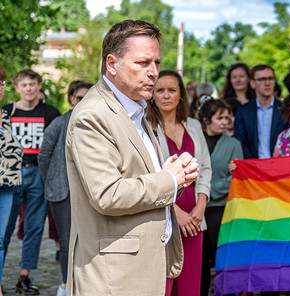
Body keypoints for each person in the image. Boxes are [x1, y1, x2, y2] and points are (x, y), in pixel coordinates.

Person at [65, 19, 199, 295]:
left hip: (140, 267)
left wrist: (173, 173)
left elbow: (134, 175)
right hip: (114, 275)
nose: (154, 73)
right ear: (112, 64)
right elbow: (108, 194)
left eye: (157, 63)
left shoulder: (135, 108)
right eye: (142, 63)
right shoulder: (93, 114)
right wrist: (169, 181)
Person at [147, 70, 212, 296]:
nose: (166, 95)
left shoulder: (193, 126)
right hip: (162, 218)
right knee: (163, 287)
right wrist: (176, 212)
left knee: (190, 288)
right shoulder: (145, 127)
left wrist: (201, 206)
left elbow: (205, 168)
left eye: (171, 90)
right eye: (160, 90)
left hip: (194, 219)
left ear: (181, 95)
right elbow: (148, 175)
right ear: (152, 95)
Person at [1, 68, 61, 295]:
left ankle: (24, 276)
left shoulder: (50, 113)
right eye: (24, 85)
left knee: (34, 227)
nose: (28, 89)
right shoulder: (7, 112)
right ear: (16, 88)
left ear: (39, 86)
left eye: (32, 84)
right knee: (4, 228)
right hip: (10, 174)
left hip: (38, 173)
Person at [37, 80, 92, 296]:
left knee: (89, 240)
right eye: (79, 97)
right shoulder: (60, 122)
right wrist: (51, 181)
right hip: (63, 193)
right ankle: (67, 285)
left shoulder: (96, 122)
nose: (83, 101)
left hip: (90, 192)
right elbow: (43, 156)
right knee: (68, 241)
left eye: (88, 97)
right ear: (71, 99)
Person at [197, 99, 243, 296]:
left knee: (220, 257)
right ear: (207, 119)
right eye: (219, 118)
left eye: (227, 117)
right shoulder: (196, 140)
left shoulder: (233, 144)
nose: (225, 121)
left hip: (220, 208)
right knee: (201, 259)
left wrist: (207, 189)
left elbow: (236, 177)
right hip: (198, 208)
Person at [0, 66, 23, 296]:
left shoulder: (6, 115)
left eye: (2, 83)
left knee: (0, 240)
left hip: (6, 184)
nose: (0, 88)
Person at [234, 64, 286, 159]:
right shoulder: (243, 111)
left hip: (280, 166)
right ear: (252, 84)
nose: (267, 83)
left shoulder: (285, 109)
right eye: (262, 79)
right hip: (253, 167)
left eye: (271, 78)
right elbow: (240, 142)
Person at [220, 63, 255, 137]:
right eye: (234, 77)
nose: (238, 80)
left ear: (249, 78)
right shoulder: (223, 103)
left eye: (241, 76)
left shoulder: (257, 101)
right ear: (230, 80)